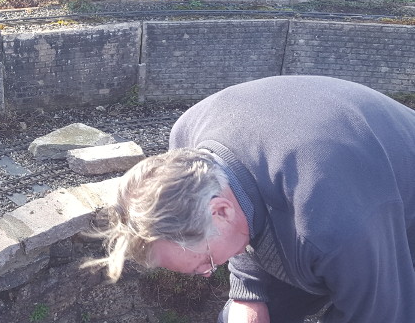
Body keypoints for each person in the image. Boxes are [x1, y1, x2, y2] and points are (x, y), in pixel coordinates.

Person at [92, 75, 415, 322]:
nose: (209, 273)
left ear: (219, 211)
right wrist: (248, 291)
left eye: (209, 263)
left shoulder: (335, 224)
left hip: (389, 211)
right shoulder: (189, 137)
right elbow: (247, 195)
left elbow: (384, 312)